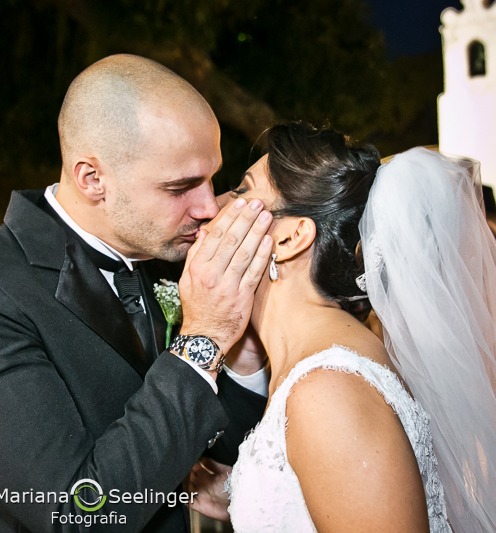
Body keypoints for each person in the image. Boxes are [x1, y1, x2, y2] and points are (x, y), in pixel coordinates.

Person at [0, 54, 273, 532]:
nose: (208, 206)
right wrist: (202, 338)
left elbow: (220, 450)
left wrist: (243, 356)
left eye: (211, 178)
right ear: (92, 179)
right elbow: (78, 515)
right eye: (180, 186)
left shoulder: (175, 257)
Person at [189, 123, 496, 531]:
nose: (216, 203)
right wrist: (243, 493)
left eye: (243, 190)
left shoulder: (327, 392)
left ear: (290, 237)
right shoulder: (323, 367)